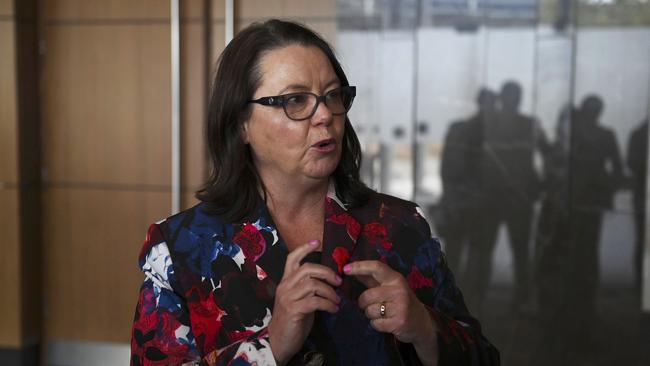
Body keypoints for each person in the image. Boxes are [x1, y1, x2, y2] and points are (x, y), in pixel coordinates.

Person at [130, 19, 499, 366]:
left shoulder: (400, 227)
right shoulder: (180, 249)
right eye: (296, 101)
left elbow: (483, 357)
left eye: (332, 96)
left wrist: (423, 327)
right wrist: (269, 347)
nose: (324, 116)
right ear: (241, 123)